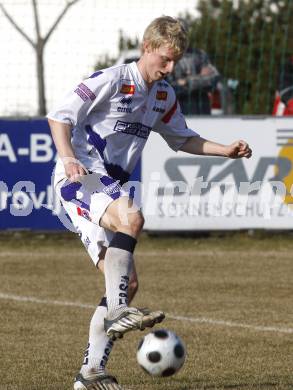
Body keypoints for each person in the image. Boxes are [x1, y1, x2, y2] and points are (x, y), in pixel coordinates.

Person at [47, 16, 252, 390]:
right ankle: (118, 313)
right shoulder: (112, 79)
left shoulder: (163, 96)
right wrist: (67, 158)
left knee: (128, 282)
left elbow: (182, 139)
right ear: (147, 48)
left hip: (106, 186)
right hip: (79, 178)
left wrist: (225, 151)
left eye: (177, 61)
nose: (171, 68)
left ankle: (90, 372)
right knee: (132, 218)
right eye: (166, 59)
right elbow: (60, 117)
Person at [167, 47, 220, 115]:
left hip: (203, 112)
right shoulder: (167, 55)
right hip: (179, 113)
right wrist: (201, 77)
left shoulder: (200, 54)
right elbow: (171, 87)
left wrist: (186, 81)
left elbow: (214, 79)